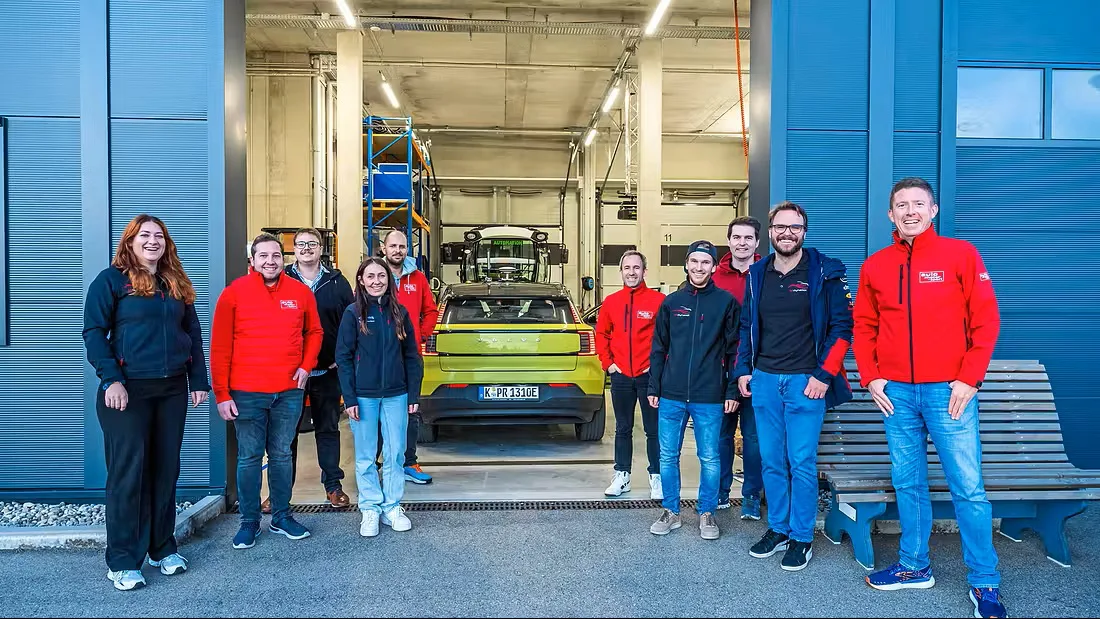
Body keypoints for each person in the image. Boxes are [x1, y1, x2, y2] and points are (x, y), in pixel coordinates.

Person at [853, 177, 1006, 618]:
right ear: (890, 214)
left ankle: (985, 582)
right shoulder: (876, 265)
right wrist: (872, 377)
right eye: (901, 205)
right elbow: (864, 326)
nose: (910, 211)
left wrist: (969, 379)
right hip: (896, 394)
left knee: (968, 488)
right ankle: (913, 566)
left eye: (918, 203)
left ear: (933, 210)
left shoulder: (961, 254)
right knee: (908, 482)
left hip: (949, 391)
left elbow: (986, 320)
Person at [82, 214, 211, 591]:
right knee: (128, 474)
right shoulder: (111, 281)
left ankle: (162, 548)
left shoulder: (175, 281)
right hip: (127, 392)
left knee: (165, 470)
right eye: (145, 235)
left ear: (166, 244)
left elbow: (192, 332)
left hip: (171, 390)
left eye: (159, 236)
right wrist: (111, 379)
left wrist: (198, 380)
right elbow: (94, 332)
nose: (153, 241)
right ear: (130, 241)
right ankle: (122, 560)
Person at [734, 201, 853, 571]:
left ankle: (802, 536)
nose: (787, 233)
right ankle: (779, 529)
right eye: (780, 227)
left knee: (801, 462)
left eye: (795, 227)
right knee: (771, 461)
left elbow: (842, 328)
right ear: (771, 232)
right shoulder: (757, 274)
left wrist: (824, 374)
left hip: (806, 382)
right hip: (765, 381)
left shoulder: (825, 271)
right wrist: (743, 369)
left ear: (804, 231)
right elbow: (746, 326)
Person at [212, 233, 323, 550]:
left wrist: (306, 365)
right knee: (249, 457)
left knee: (282, 455)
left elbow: (315, 331)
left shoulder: (300, 293)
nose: (270, 261)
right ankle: (249, 521)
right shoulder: (234, 293)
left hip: (288, 391)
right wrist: (222, 393)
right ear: (252, 260)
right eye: (263, 256)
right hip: (246, 392)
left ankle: (281, 516)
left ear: (283, 259)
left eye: (276, 255)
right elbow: (219, 346)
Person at [647, 240, 741, 541]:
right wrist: (654, 385)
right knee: (667, 456)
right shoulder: (671, 303)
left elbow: (734, 351)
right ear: (686, 264)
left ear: (713, 267)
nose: (699, 267)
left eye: (705, 262)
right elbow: (659, 347)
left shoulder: (726, 303)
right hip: (671, 394)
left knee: (710, 457)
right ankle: (671, 511)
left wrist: (731, 391)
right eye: (694, 261)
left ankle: (707, 512)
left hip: (709, 395)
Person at [336, 257, 424, 536]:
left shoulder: (400, 313)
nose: (377, 281)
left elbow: (412, 356)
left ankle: (392, 506)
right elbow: (344, 357)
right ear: (361, 281)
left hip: (397, 394)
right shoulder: (353, 313)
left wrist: (413, 393)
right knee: (365, 456)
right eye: (371, 276)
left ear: (389, 279)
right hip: (363, 396)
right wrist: (349, 398)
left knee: (395, 453)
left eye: (381, 276)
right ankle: (370, 508)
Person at [282, 228, 354, 509]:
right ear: (294, 249)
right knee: (285, 434)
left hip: (326, 371)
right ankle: (280, 491)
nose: (306, 248)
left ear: (321, 249)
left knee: (328, 429)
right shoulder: (282, 279)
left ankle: (333, 487)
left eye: (312, 244)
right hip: (289, 374)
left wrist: (341, 355)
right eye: (301, 244)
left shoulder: (337, 282)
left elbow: (351, 321)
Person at [595, 250, 666, 499]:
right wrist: (609, 364)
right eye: (627, 268)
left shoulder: (658, 301)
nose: (632, 272)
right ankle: (622, 475)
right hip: (621, 376)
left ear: (644, 271)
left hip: (649, 376)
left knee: (653, 429)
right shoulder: (611, 302)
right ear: (621, 271)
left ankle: (657, 477)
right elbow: (601, 334)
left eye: (636, 268)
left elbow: (668, 337)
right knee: (623, 428)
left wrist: (657, 366)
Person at [712, 216, 765, 520]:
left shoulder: (767, 274)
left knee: (754, 439)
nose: (742, 243)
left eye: (748, 238)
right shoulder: (715, 277)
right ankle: (721, 492)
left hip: (758, 370)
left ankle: (751, 496)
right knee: (721, 436)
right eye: (737, 237)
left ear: (757, 242)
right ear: (729, 241)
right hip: (721, 371)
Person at [381, 229, 438, 484]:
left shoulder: (418, 278)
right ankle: (381, 463)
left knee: (411, 409)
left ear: (407, 249)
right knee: (377, 410)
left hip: (410, 356)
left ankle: (409, 461)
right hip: (379, 357)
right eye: (393, 246)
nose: (397, 251)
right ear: (384, 248)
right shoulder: (374, 275)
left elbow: (430, 311)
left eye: (402, 246)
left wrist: (420, 336)